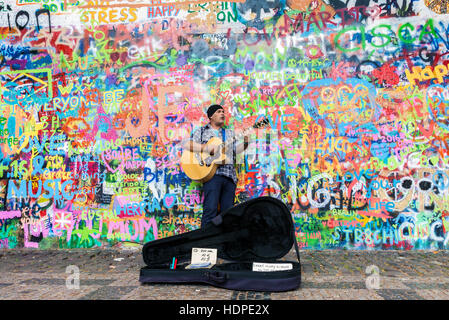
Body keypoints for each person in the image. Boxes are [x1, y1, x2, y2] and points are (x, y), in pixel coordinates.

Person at [183, 104, 249, 228]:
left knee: (228, 214)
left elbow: (236, 150)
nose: (222, 113)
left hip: (229, 176)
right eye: (219, 111)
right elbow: (187, 145)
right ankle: (205, 242)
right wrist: (206, 148)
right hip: (212, 175)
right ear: (211, 116)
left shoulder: (229, 133)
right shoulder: (202, 131)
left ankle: (225, 244)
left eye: (223, 111)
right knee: (210, 210)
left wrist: (245, 142)